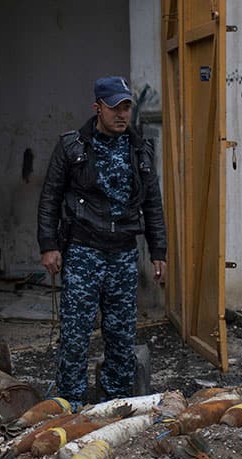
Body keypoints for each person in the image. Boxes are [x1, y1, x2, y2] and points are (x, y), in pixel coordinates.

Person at [37, 76, 167, 411]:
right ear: (97, 108)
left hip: (123, 251)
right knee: (76, 333)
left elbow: (152, 202)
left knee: (121, 334)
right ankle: (70, 403)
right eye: (115, 107)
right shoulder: (72, 147)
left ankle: (114, 403)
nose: (122, 114)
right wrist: (49, 245)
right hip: (83, 250)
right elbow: (50, 196)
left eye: (127, 107)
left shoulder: (140, 149)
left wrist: (159, 251)